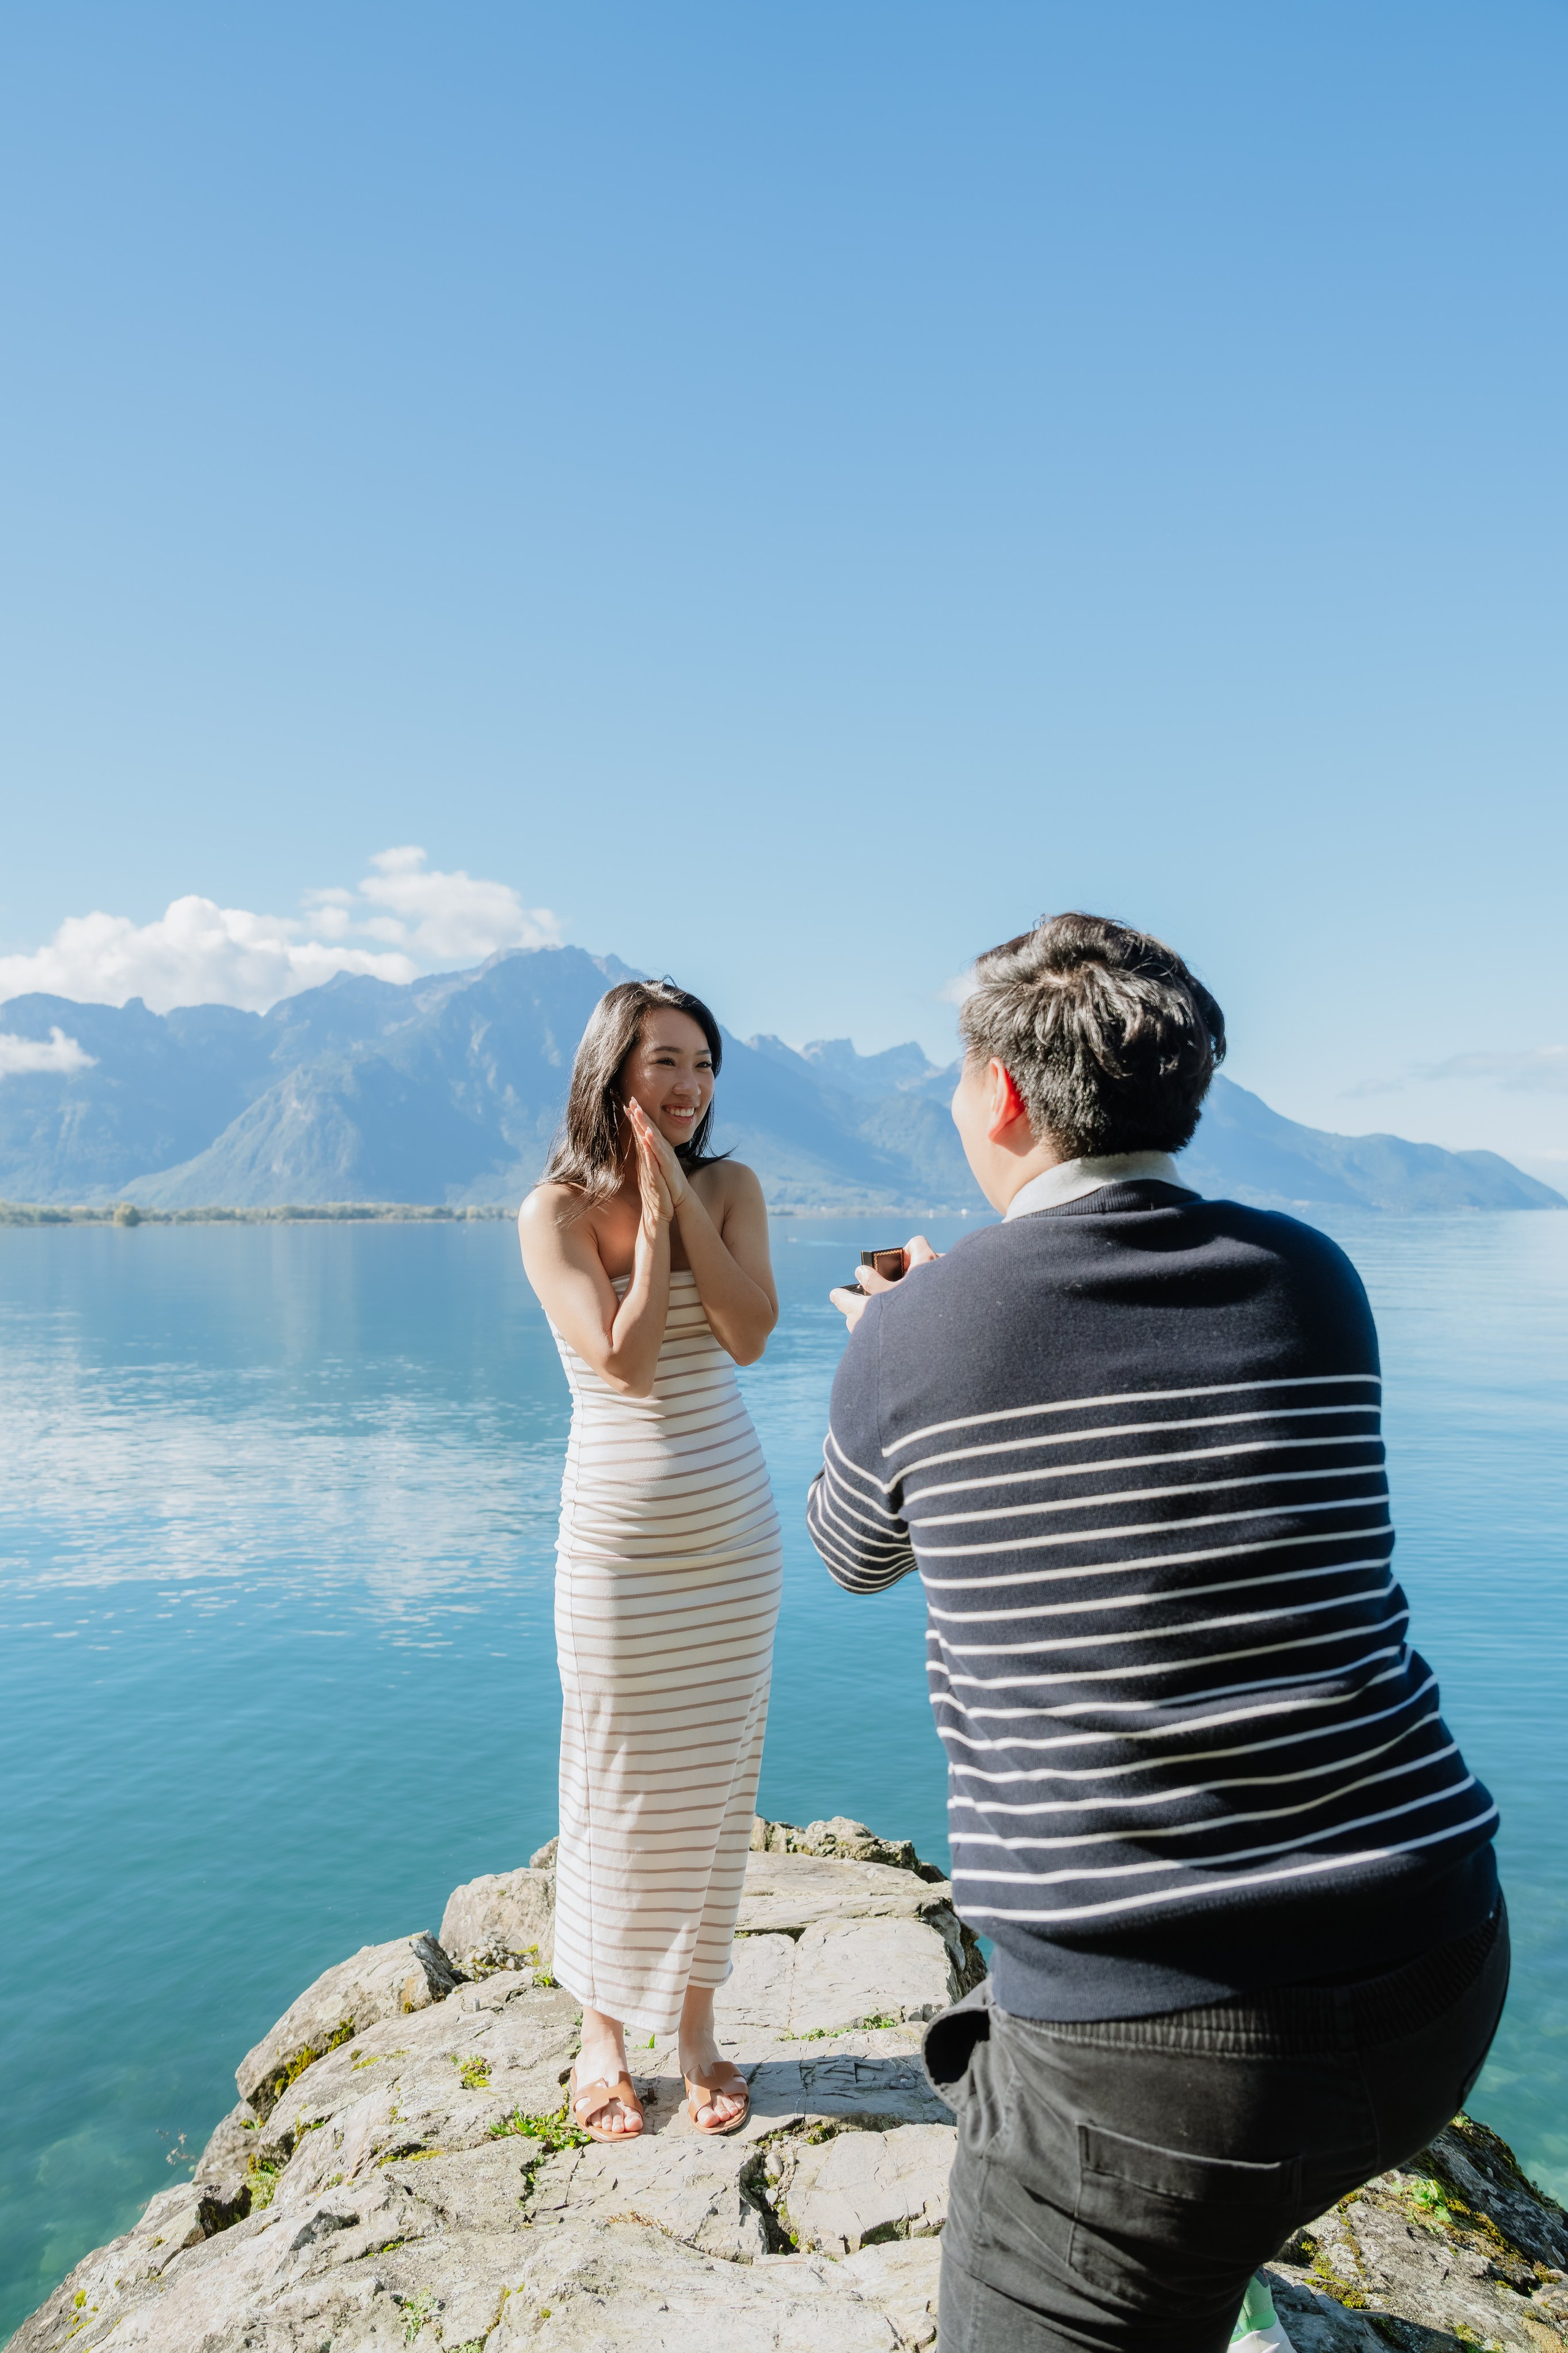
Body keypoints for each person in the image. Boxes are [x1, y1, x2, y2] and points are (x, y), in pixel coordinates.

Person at [807, 913, 1507, 2353]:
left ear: (1001, 1094)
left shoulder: (916, 1333)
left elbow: (852, 1555)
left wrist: (899, 1335)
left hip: (1145, 2050)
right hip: (1432, 1962)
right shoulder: (1311, 1277)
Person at [519, 978, 782, 2143]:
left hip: (731, 1538)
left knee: (716, 1792)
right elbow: (623, 1365)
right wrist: (660, 1224)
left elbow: (750, 1331)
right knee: (611, 1783)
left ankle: (696, 2035)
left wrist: (684, 1196)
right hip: (617, 1551)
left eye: (704, 1064)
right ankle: (601, 2038)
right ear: (611, 1070)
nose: (687, 1086)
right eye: (664, 1061)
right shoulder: (553, 1213)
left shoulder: (733, 1184)